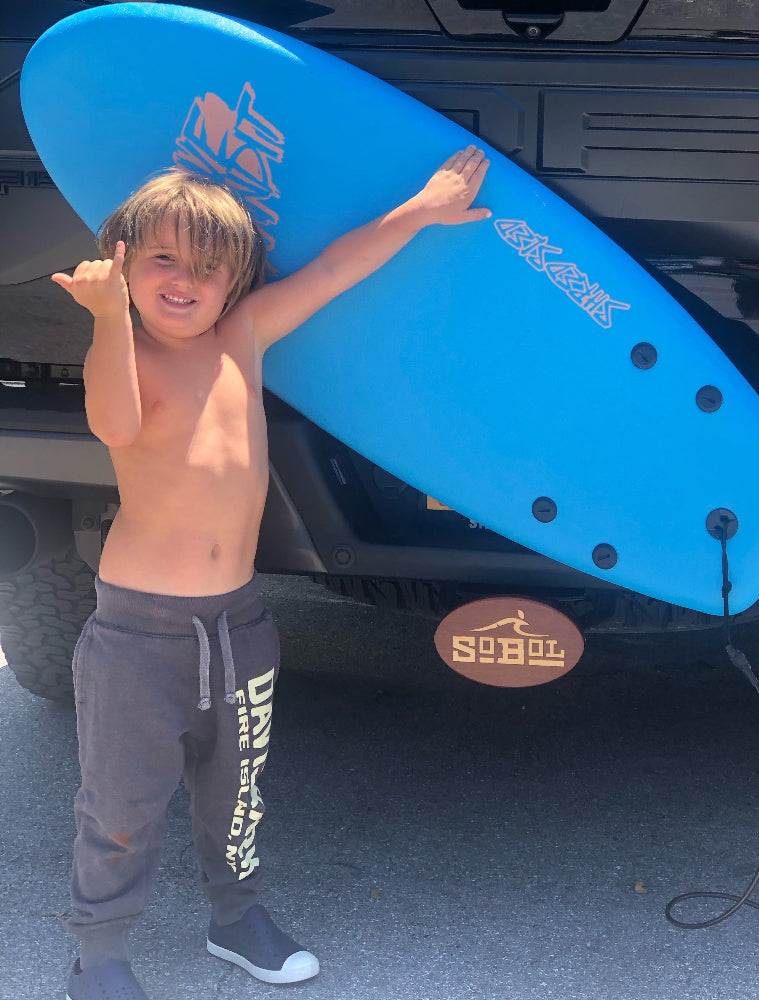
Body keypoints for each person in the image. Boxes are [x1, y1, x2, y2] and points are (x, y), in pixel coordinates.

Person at [51, 146, 491, 1000]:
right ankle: (99, 953)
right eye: (163, 260)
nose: (185, 280)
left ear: (235, 280)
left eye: (209, 267)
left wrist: (421, 210)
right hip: (139, 636)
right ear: (125, 265)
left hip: (239, 623)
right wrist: (106, 318)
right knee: (120, 809)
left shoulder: (242, 337)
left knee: (238, 793)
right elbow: (112, 421)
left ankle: (235, 916)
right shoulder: (127, 355)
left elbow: (333, 268)